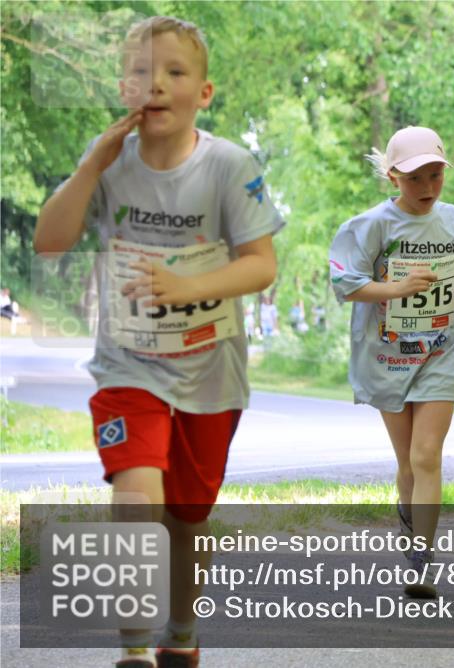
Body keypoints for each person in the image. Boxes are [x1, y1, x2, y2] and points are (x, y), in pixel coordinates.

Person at [34, 16, 282, 668]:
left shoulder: (229, 165)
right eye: (143, 72)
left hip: (210, 371)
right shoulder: (109, 163)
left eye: (174, 72)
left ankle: (180, 629)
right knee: (136, 493)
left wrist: (184, 284)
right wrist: (92, 165)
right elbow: (50, 239)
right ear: (124, 87)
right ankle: (134, 645)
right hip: (128, 364)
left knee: (187, 521)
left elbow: (262, 265)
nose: (157, 85)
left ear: (204, 92)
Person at [329, 126, 454, 598]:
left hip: (439, 352)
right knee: (407, 464)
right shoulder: (371, 225)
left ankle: (422, 560)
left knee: (426, 455)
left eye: (436, 176)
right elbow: (345, 283)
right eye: (416, 178)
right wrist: (395, 289)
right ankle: (409, 522)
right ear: (393, 176)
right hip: (388, 356)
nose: (428, 188)